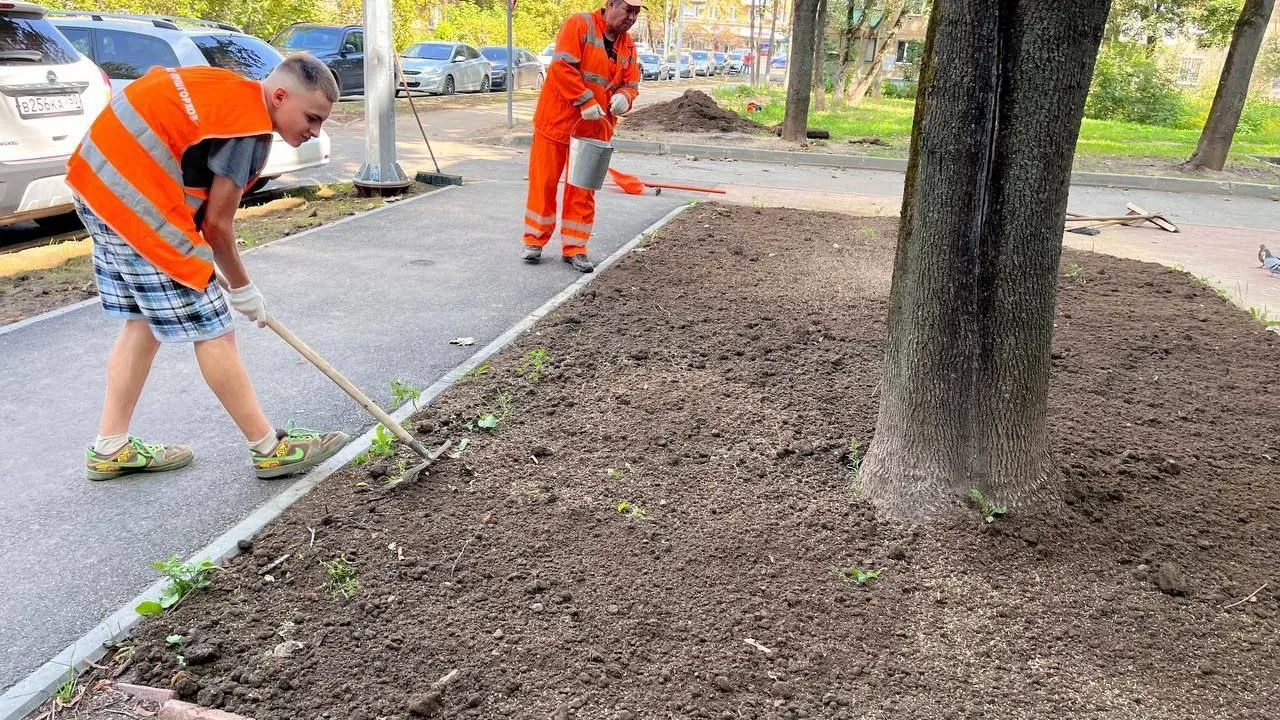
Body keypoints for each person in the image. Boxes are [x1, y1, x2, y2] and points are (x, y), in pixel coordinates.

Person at [68, 55, 350, 482]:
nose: (315, 130)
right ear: (279, 96)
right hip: (135, 201)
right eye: (312, 117)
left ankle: (110, 447)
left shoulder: (227, 92)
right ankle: (269, 448)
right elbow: (218, 226)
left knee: (141, 319)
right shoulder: (248, 129)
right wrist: (243, 290)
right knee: (215, 327)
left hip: (96, 183)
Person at [521, 0, 643, 273]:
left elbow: (631, 84)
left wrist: (625, 97)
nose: (632, 17)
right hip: (557, 122)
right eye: (628, 10)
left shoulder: (629, 46)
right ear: (611, 4)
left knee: (583, 191)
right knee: (544, 183)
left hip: (594, 130)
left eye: (636, 12)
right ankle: (534, 241)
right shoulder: (580, 24)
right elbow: (563, 67)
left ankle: (575, 247)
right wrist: (585, 101)